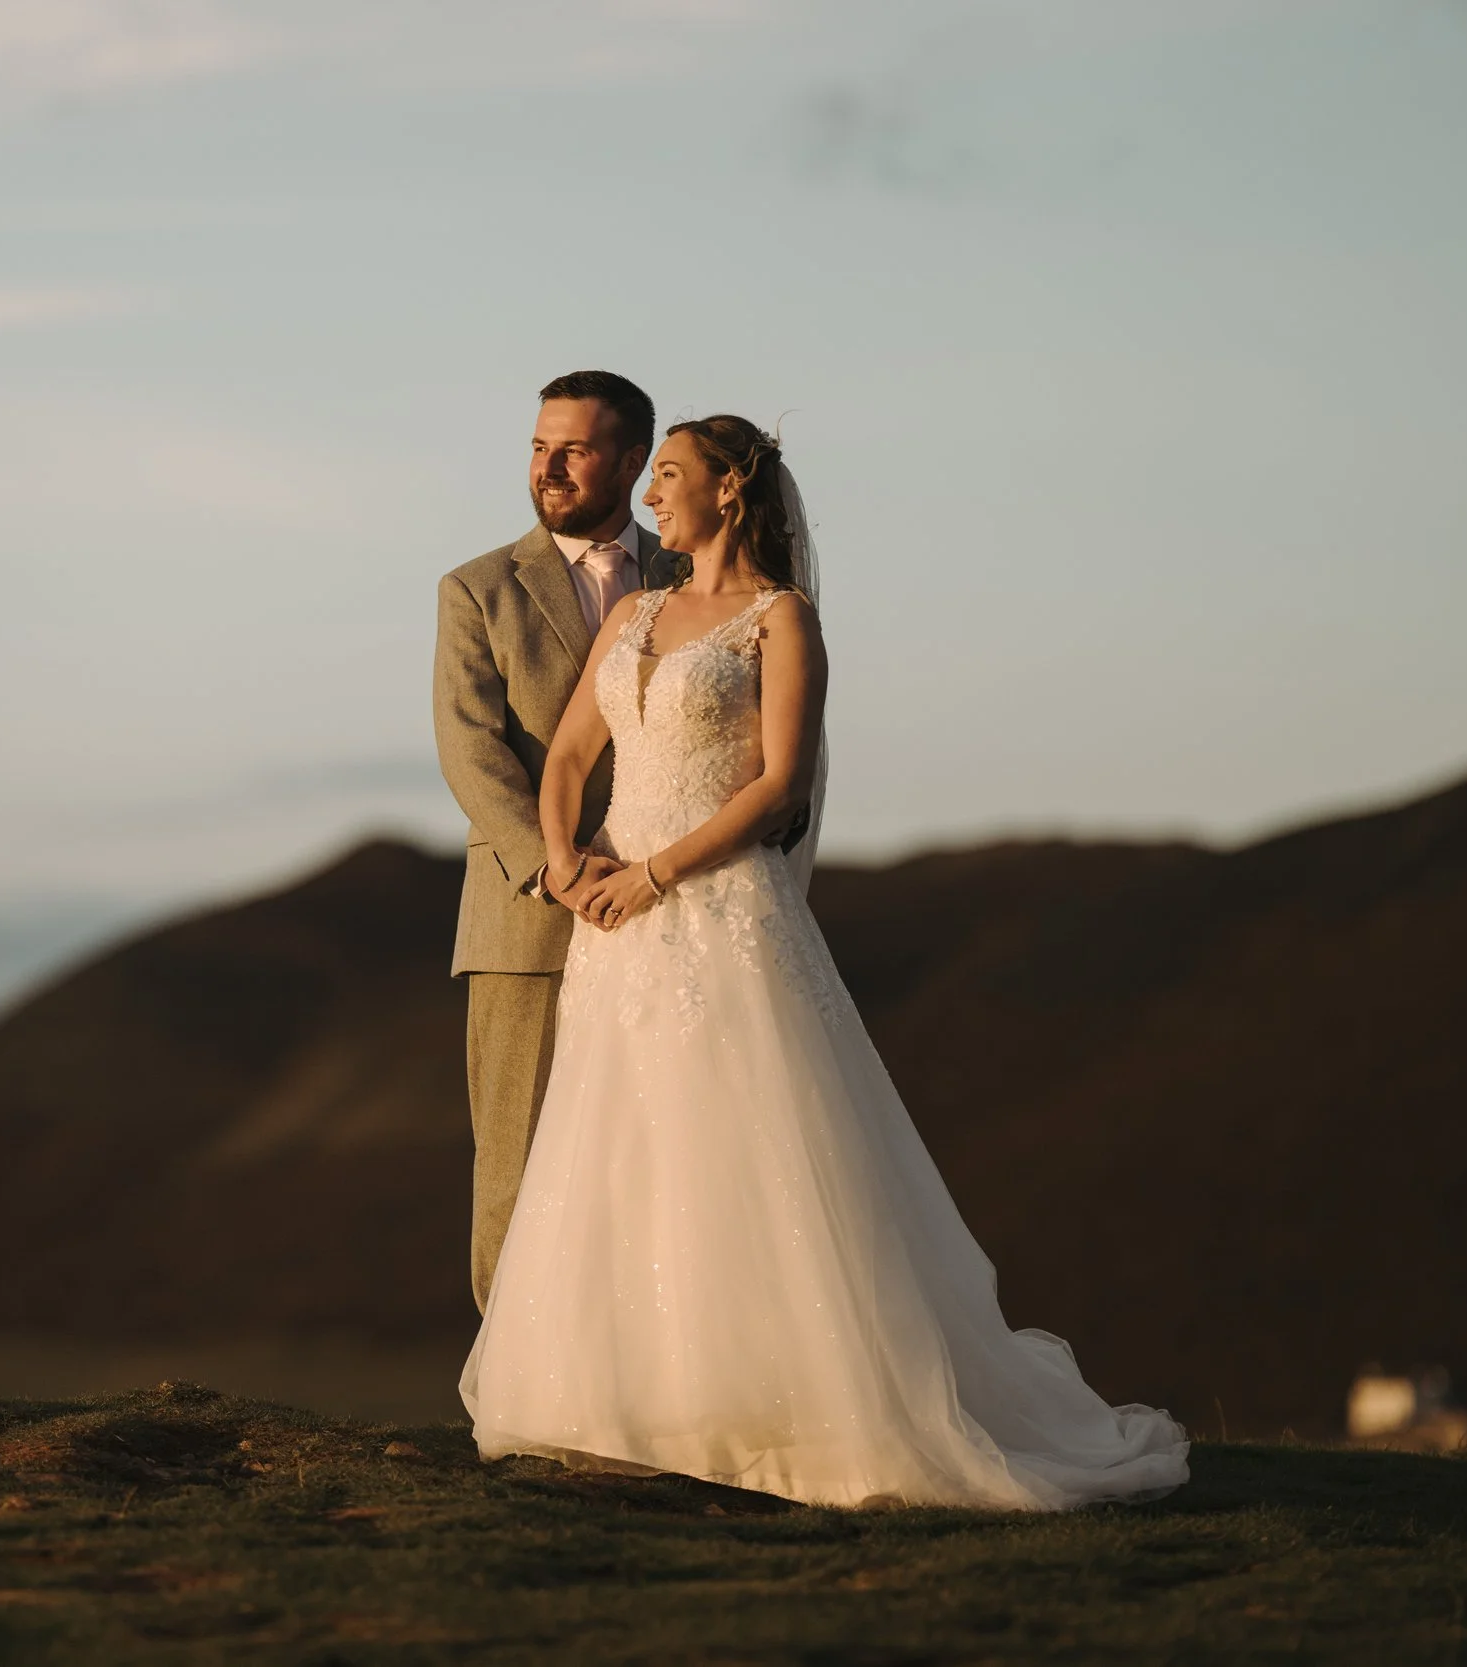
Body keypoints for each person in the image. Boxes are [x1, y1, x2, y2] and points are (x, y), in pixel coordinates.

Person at [457, 415, 1190, 1509]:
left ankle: (779, 1400)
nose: (653, 495)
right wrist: (567, 862)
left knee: (740, 1149)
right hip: (612, 924)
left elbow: (779, 787)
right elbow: (567, 754)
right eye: (651, 475)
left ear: (729, 491)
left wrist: (654, 873)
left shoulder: (780, 620)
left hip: (713, 908)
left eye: (670, 475)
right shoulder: (640, 614)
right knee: (622, 1147)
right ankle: (631, 1400)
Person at [432, 370, 670, 1315]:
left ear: (632, 460)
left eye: (572, 448)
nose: (549, 466)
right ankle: (512, 1402)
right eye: (539, 446)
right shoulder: (478, 588)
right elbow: (469, 748)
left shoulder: (692, 579)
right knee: (519, 1165)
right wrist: (555, 865)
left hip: (665, 914)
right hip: (524, 925)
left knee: (655, 1169)